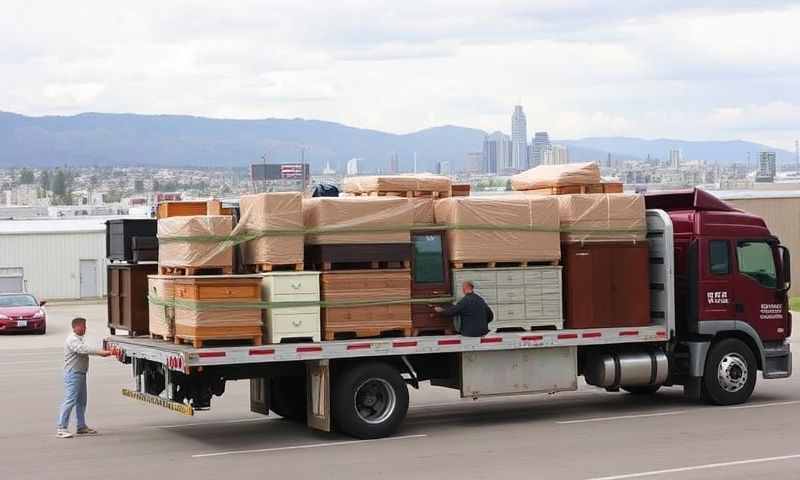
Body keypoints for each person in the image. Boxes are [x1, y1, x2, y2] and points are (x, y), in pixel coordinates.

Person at [57, 317, 112, 439]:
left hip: (80, 374)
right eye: (83, 326)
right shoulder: (72, 340)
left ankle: (81, 427)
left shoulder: (78, 339)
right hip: (73, 374)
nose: (85, 328)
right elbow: (83, 350)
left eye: (85, 326)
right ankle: (61, 428)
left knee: (81, 402)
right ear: (75, 327)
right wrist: (101, 352)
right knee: (70, 400)